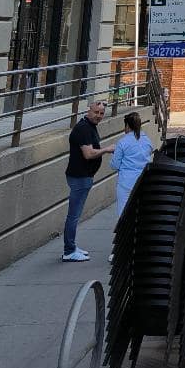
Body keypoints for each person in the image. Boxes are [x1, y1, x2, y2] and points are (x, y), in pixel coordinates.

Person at [63, 99, 114, 260]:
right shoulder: (84, 129)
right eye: (96, 112)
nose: (98, 116)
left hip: (83, 176)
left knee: (75, 215)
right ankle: (69, 251)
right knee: (73, 216)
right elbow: (88, 154)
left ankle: (71, 247)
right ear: (88, 111)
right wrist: (106, 149)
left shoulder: (89, 127)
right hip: (79, 177)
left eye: (101, 113)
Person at [109, 110, 151, 217]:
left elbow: (114, 165)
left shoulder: (123, 142)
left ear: (127, 125)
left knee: (123, 213)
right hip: (143, 180)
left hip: (126, 182)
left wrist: (114, 154)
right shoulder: (147, 141)